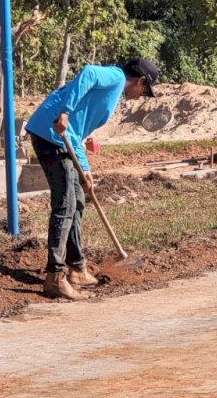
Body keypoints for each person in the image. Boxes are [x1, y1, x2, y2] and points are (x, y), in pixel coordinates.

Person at [27, 58, 159, 300]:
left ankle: (76, 268)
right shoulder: (116, 78)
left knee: (77, 200)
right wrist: (65, 111)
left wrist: (84, 169)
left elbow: (78, 130)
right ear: (140, 80)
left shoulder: (112, 92)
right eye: (144, 91)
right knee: (65, 204)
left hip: (62, 139)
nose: (141, 96)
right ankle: (55, 277)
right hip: (50, 134)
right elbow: (88, 73)